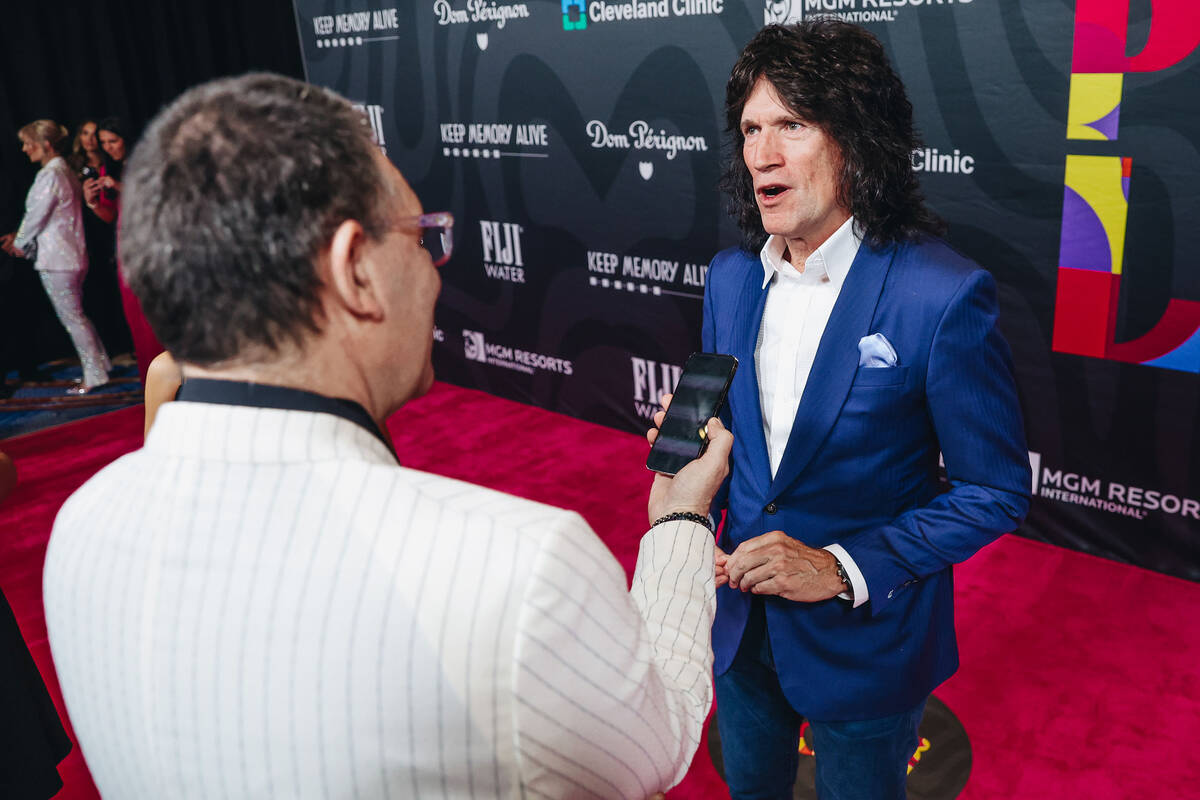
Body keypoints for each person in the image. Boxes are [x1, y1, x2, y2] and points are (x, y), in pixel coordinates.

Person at [43, 73, 731, 799]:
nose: (435, 273)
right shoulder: (517, 565)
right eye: (422, 237)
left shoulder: (83, 519)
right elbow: (656, 747)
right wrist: (680, 520)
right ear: (354, 273)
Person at [704, 21, 1032, 800]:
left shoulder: (941, 295)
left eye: (791, 124)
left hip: (867, 645)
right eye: (751, 129)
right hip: (741, 625)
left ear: (855, 138)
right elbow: (721, 436)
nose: (762, 154)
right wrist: (687, 479)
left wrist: (841, 569)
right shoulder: (728, 279)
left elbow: (995, 490)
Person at [1, 120, 111, 393]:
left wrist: (20, 242)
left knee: (72, 318)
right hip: (70, 255)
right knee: (78, 315)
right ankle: (101, 364)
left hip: (58, 259)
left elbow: (37, 214)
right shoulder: (65, 170)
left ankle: (95, 374)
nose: (25, 149)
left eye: (29, 143)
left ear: (46, 145)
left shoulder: (50, 174)